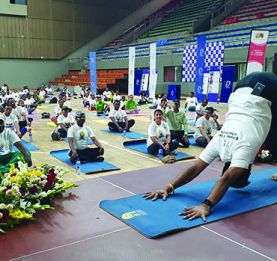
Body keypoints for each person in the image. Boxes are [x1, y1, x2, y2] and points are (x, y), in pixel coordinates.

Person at [144, 72, 276, 221]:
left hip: (254, 88)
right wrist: (169, 187)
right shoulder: (228, 143)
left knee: (272, 139)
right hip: (253, 89)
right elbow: (221, 177)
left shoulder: (233, 145)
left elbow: (221, 176)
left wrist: (203, 203)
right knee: (273, 140)